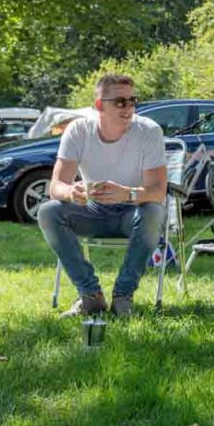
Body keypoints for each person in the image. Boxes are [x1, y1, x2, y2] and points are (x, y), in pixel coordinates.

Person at [38, 74, 167, 318]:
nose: (128, 107)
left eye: (132, 101)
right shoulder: (79, 130)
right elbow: (56, 186)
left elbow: (158, 191)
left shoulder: (149, 131)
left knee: (154, 211)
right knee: (49, 211)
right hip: (93, 210)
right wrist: (72, 191)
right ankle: (90, 295)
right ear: (100, 105)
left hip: (134, 212)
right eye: (120, 102)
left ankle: (123, 297)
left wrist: (126, 193)